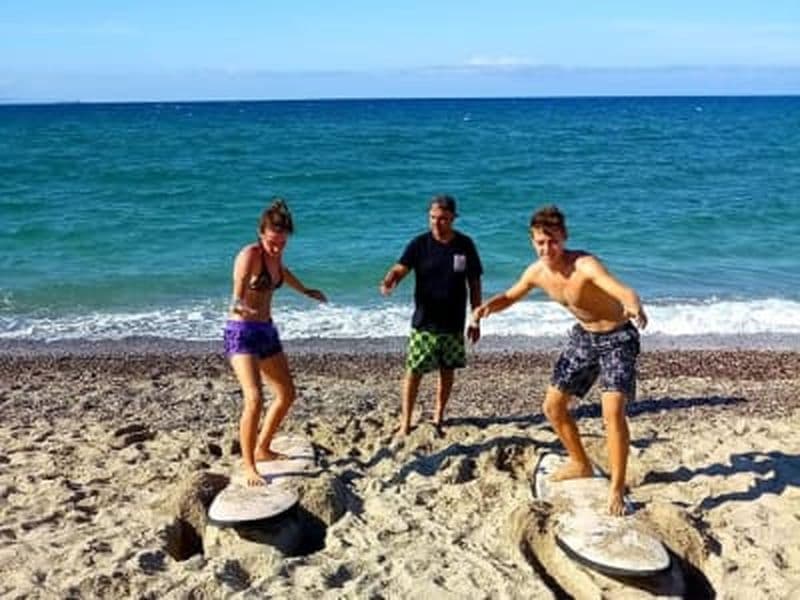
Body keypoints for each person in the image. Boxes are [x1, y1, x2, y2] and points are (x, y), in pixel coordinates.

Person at [472, 205, 647, 515]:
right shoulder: (536, 272)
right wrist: (487, 308)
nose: (546, 248)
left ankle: (617, 488)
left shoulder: (584, 265)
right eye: (540, 242)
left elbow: (620, 290)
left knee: (612, 413)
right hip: (584, 338)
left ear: (564, 237)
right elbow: (510, 296)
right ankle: (580, 462)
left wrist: (634, 305)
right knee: (552, 407)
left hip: (618, 339)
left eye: (552, 241)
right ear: (532, 242)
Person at [224, 198, 327, 486]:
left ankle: (263, 447)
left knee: (287, 394)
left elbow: (282, 273)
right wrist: (238, 304)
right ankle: (249, 465)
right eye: (272, 242)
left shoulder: (275, 256)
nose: (277, 248)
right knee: (254, 398)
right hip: (242, 332)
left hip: (266, 331)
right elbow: (238, 289)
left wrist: (305, 290)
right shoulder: (250, 254)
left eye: (282, 243)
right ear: (261, 234)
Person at [380, 194, 483, 437]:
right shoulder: (419, 244)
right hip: (424, 322)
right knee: (413, 372)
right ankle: (406, 422)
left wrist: (475, 318)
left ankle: (439, 415)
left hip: (453, 322)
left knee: (447, 371)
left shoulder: (465, 245)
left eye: (443, 219)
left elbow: (474, 283)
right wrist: (390, 279)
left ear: (453, 218)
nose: (437, 223)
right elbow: (400, 268)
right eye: (433, 217)